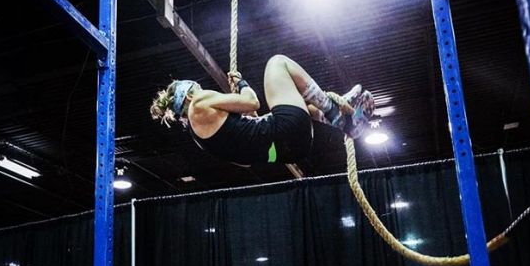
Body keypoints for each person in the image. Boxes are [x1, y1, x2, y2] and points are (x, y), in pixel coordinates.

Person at [150, 54, 374, 166]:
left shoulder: (198, 135)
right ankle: (334, 112)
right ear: (189, 93)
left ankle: (337, 117)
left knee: (300, 105)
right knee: (278, 62)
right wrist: (242, 84)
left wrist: (244, 113)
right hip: (285, 131)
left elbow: (250, 137)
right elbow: (252, 103)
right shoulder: (198, 101)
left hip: (291, 151)